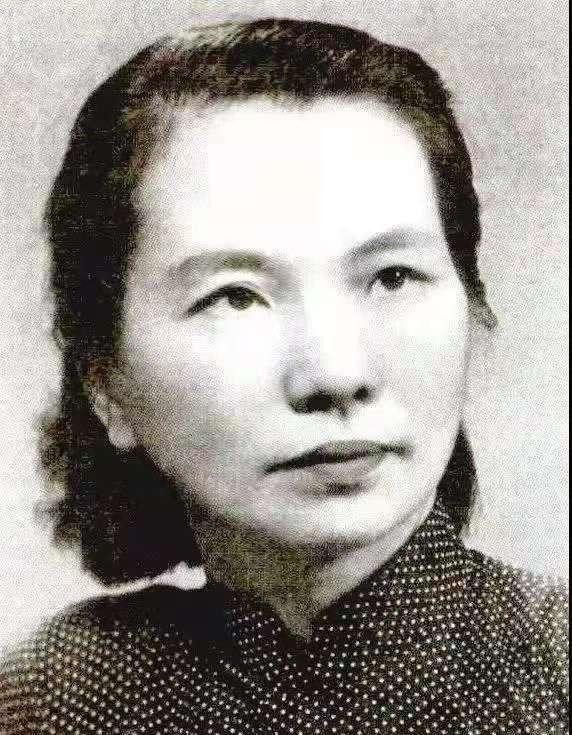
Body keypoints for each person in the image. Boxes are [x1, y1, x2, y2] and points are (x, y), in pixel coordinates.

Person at [0, 17, 568, 735]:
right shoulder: (55, 697)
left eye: (393, 276)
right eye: (235, 296)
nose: (336, 373)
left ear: (472, 312)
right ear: (106, 385)